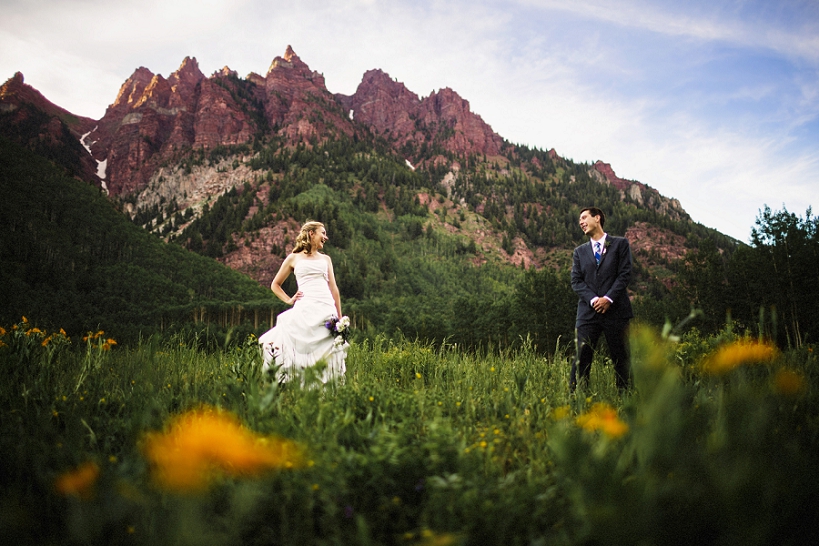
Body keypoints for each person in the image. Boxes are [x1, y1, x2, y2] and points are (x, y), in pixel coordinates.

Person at [258, 221, 347, 383]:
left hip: (326, 309)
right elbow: (275, 284)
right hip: (304, 308)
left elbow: (334, 289)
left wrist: (340, 320)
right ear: (311, 233)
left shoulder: (326, 259)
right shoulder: (293, 258)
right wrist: (289, 300)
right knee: (298, 346)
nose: (325, 237)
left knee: (326, 350)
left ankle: (326, 388)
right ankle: (298, 385)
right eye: (323, 233)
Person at [570, 207, 633, 392]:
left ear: (597, 218)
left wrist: (608, 298)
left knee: (621, 357)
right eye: (579, 220)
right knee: (581, 358)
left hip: (616, 311)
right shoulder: (579, 252)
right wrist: (594, 300)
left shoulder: (620, 244)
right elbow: (576, 281)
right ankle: (577, 399)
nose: (581, 222)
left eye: (584, 217)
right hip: (588, 313)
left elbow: (624, 274)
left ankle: (626, 399)